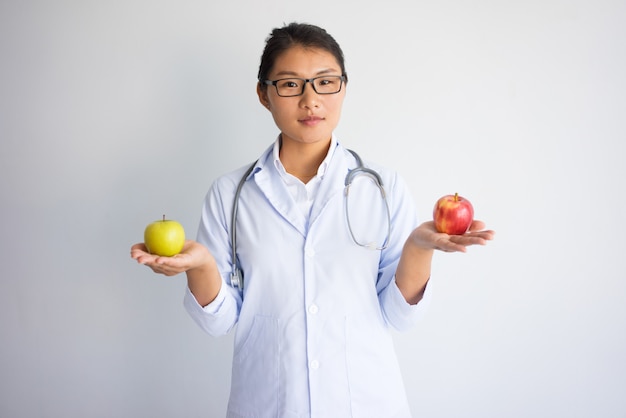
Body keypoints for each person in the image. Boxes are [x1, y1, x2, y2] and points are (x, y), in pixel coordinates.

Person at [131, 22, 494, 418]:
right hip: (269, 405)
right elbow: (218, 323)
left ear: (343, 87)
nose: (310, 100)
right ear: (263, 94)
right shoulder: (229, 194)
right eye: (290, 84)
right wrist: (200, 265)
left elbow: (398, 314)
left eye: (325, 83)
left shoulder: (383, 187)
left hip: (367, 404)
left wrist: (419, 248)